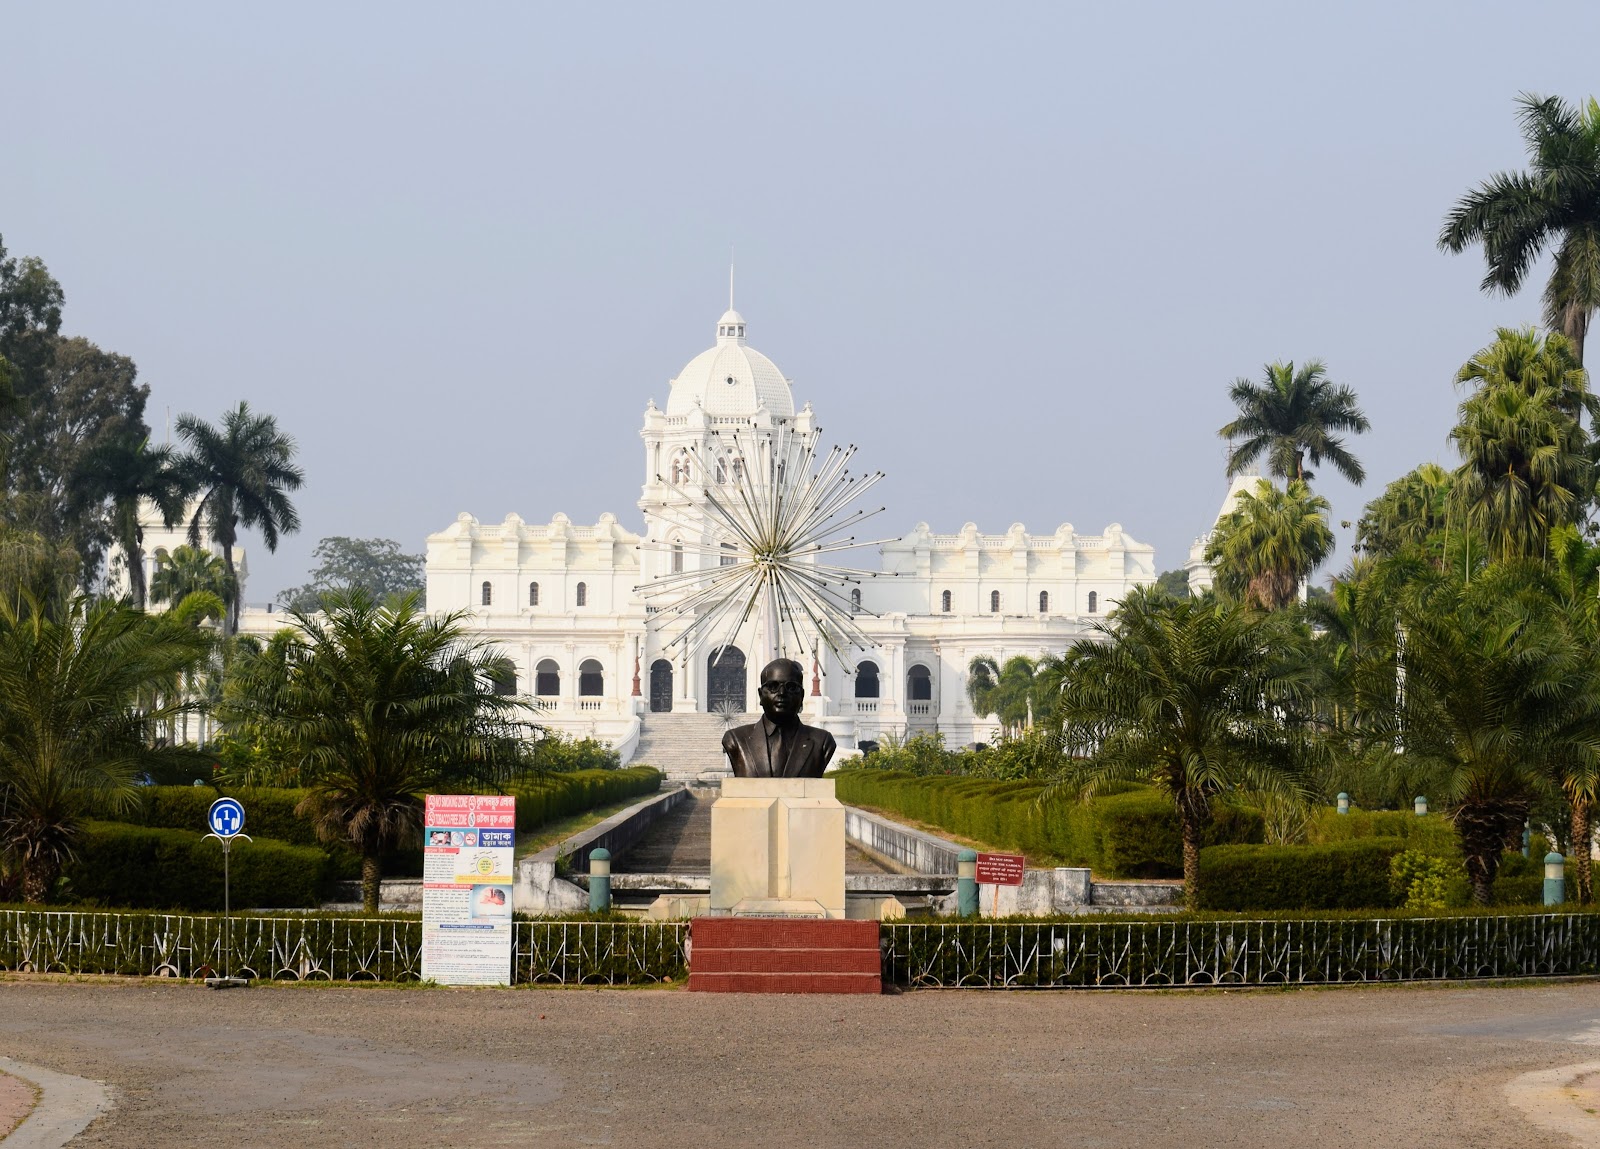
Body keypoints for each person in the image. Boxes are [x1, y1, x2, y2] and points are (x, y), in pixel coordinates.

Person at [721, 657, 837, 778]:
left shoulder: (822, 742)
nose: (782, 693)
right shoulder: (736, 739)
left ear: (802, 696)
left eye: (791, 687)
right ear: (760, 695)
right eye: (772, 686)